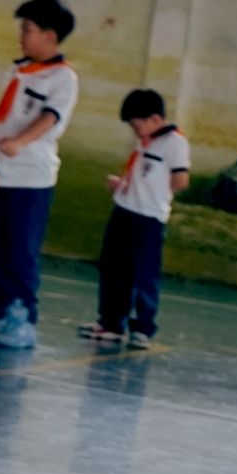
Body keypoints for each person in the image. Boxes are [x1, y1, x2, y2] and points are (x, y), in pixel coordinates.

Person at [0, 0, 78, 349]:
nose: (21, 36)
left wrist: (20, 141)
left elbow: (51, 117)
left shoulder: (62, 77)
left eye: (27, 30)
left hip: (29, 178)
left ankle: (20, 316)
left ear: (49, 35)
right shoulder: (16, 70)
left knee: (19, 250)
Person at [80, 90, 190, 347]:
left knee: (143, 273)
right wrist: (122, 186)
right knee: (113, 268)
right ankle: (111, 323)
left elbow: (181, 180)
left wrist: (156, 196)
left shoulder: (175, 142)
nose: (135, 131)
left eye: (137, 126)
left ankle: (142, 328)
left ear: (154, 118)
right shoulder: (147, 141)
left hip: (148, 218)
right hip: (124, 209)